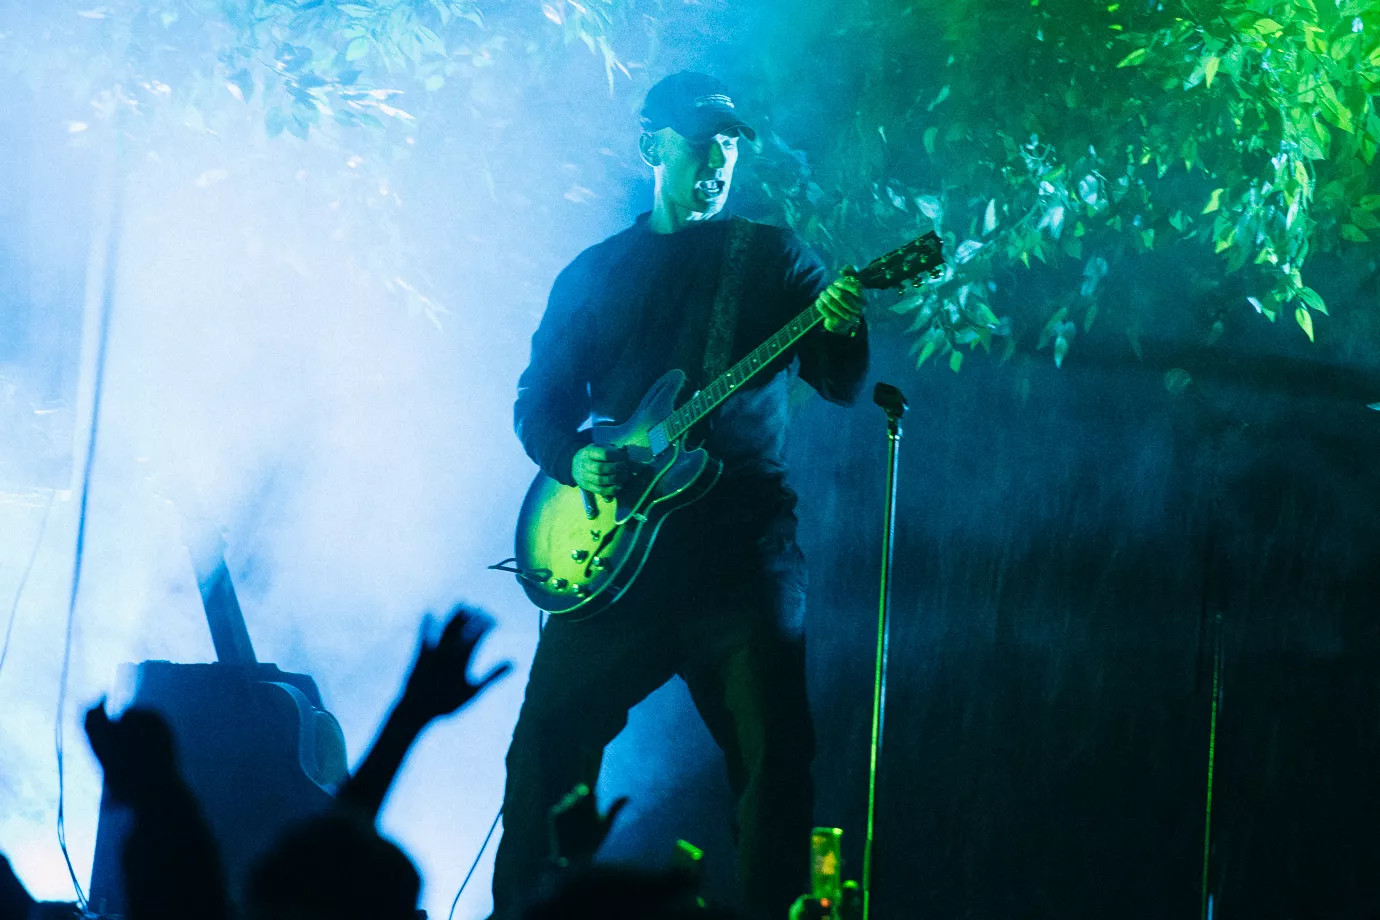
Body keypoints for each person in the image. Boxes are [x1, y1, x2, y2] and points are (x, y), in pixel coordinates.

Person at [493, 71, 867, 920]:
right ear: (654, 147)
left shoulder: (774, 257)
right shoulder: (597, 273)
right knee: (545, 750)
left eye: (731, 145)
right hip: (616, 556)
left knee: (777, 758)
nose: (719, 160)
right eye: (702, 142)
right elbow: (539, 404)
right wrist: (578, 460)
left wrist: (845, 326)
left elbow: (839, 382)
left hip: (741, 555)